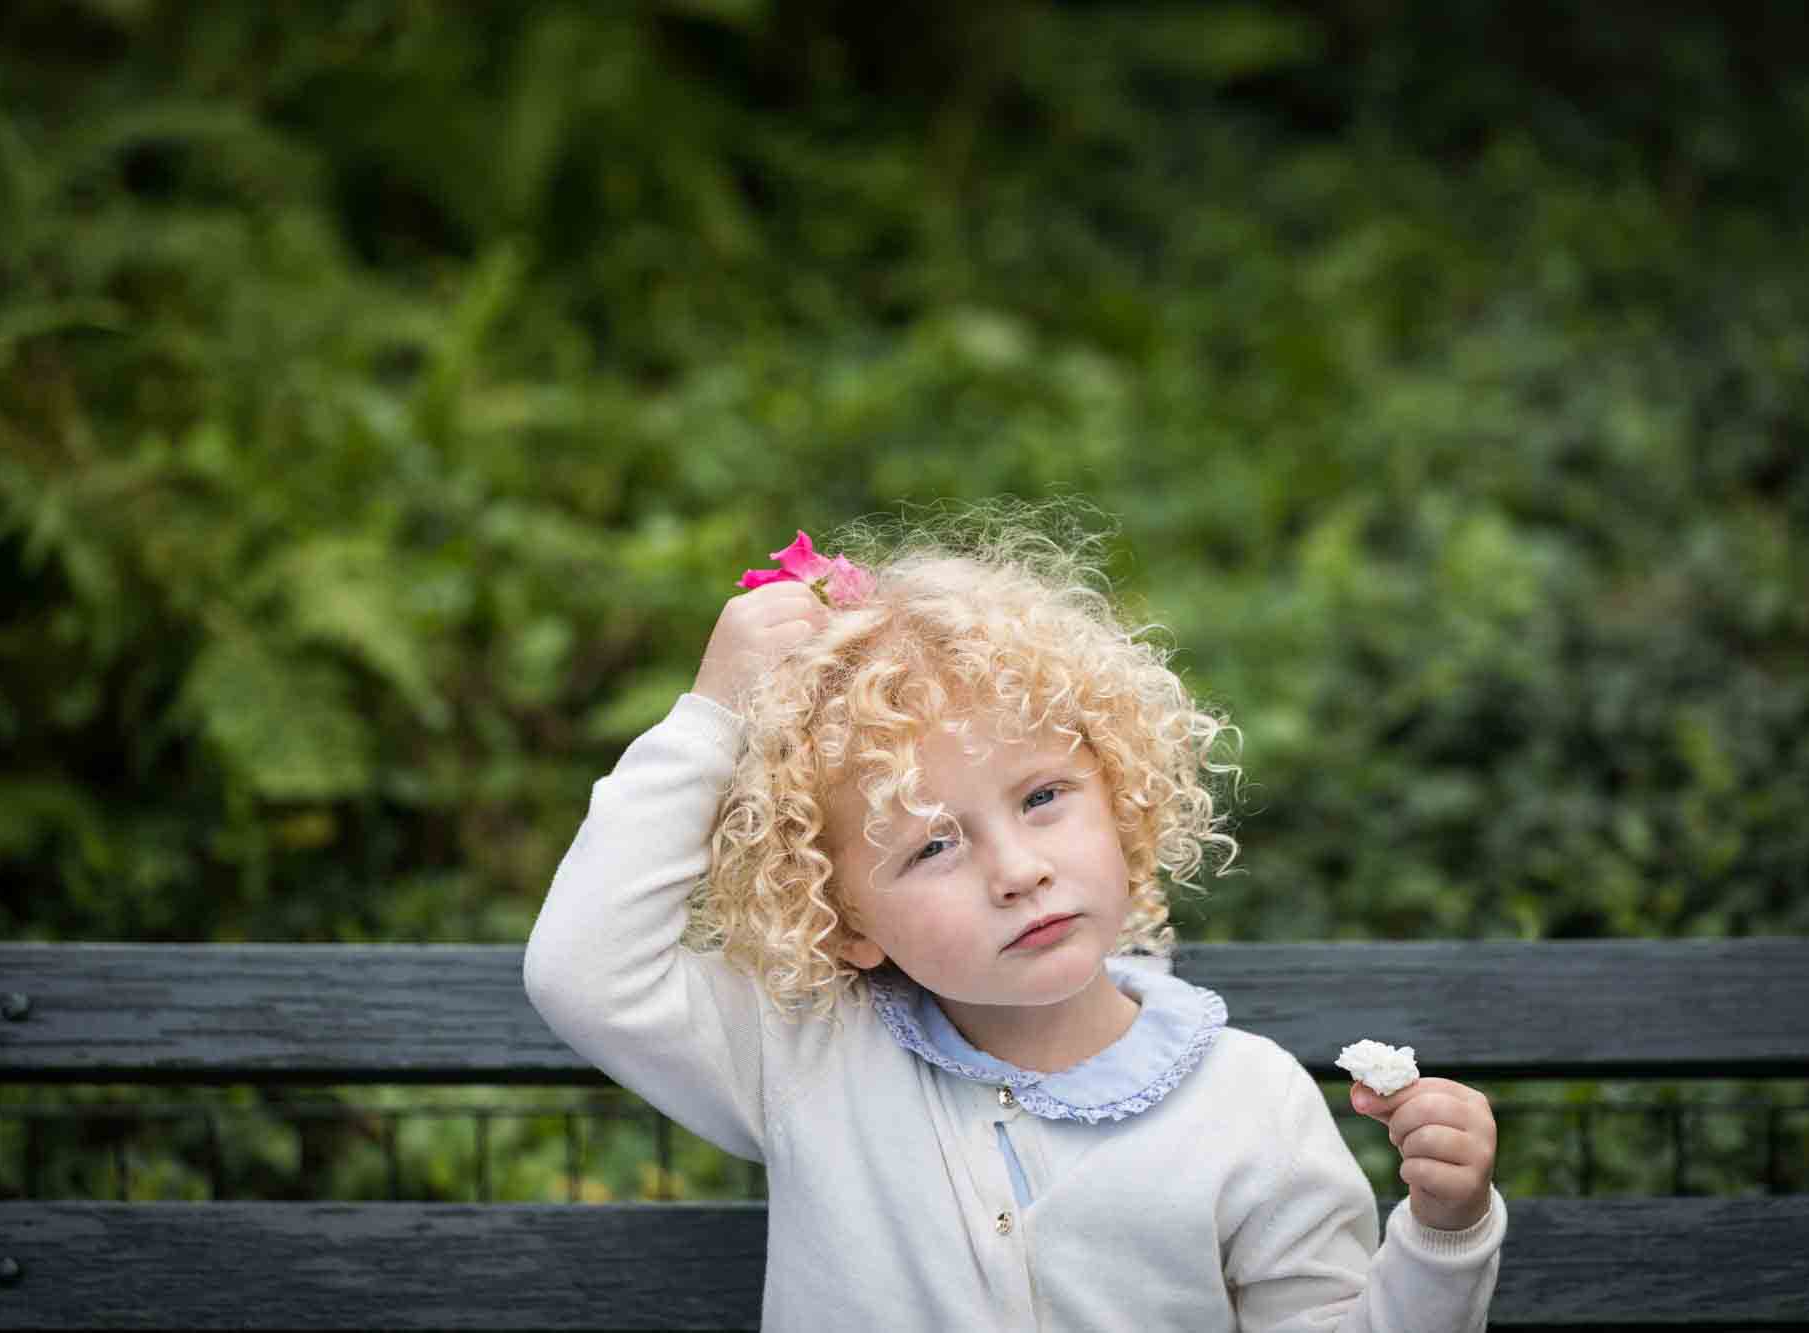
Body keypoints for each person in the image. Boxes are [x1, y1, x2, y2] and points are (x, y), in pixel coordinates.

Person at [525, 503, 1504, 1330]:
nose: (1015, 871)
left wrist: (1443, 1231)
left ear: (1120, 800)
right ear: (844, 921)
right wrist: (710, 718)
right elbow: (582, 969)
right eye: (931, 845)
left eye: (1041, 798)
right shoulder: (804, 1056)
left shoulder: (1249, 1105)